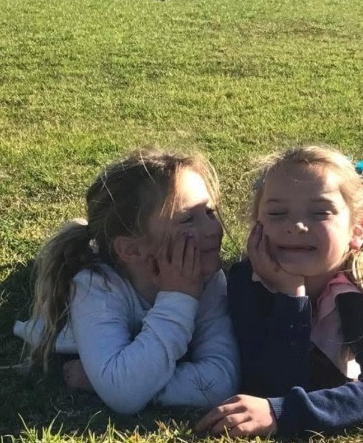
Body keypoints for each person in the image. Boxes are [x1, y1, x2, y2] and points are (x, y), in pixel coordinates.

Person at [196, 145, 363, 438]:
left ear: (356, 232)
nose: (296, 226)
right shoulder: (244, 283)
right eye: (277, 213)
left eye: (320, 212)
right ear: (257, 226)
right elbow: (271, 384)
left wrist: (280, 413)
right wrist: (291, 295)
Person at [13, 147, 240, 414]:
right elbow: (124, 394)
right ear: (132, 250)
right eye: (188, 219)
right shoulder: (96, 286)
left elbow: (221, 382)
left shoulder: (208, 279)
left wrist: (104, 383)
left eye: (210, 212)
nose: (213, 229)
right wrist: (179, 298)